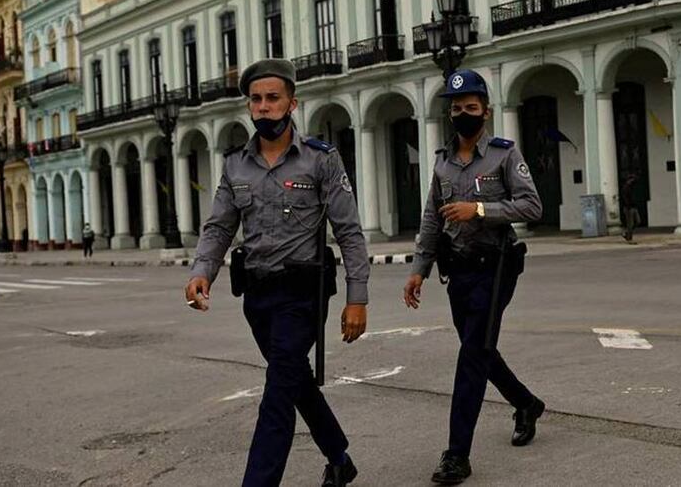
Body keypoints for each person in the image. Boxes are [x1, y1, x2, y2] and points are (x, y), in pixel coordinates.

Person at [184, 59, 369, 487]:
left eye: (273, 98)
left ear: (292, 103)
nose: (264, 107)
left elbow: (349, 231)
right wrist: (202, 272)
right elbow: (219, 226)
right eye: (256, 100)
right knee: (294, 381)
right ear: (249, 106)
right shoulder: (235, 165)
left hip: (302, 295)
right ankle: (339, 457)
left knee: (277, 396)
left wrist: (356, 298)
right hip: (258, 299)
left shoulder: (321, 161)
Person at [403, 69, 545, 485]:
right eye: (456, 108)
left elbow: (532, 206)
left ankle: (456, 455)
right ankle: (526, 403)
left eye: (470, 107)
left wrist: (480, 210)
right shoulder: (443, 162)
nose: (462, 113)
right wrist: (418, 269)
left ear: (486, 110)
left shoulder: (504, 154)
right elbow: (431, 218)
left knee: (470, 357)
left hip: (496, 268)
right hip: (458, 271)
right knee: (478, 348)